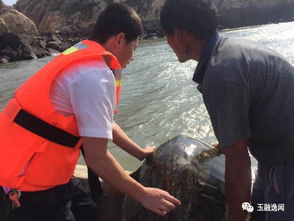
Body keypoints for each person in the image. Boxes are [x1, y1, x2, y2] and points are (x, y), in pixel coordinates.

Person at [0, 3, 180, 221]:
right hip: (26, 180)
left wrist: (139, 152)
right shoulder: (95, 76)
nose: (132, 57)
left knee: (87, 210)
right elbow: (97, 158)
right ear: (120, 39)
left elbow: (103, 122)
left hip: (36, 164)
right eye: (134, 48)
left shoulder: (82, 54)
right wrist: (143, 194)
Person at [160, 0, 294, 221]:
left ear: (182, 34)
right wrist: (224, 145)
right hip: (272, 156)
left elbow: (238, 161)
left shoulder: (220, 73)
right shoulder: (230, 50)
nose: (168, 42)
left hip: (286, 161)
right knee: (258, 210)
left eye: (168, 35)